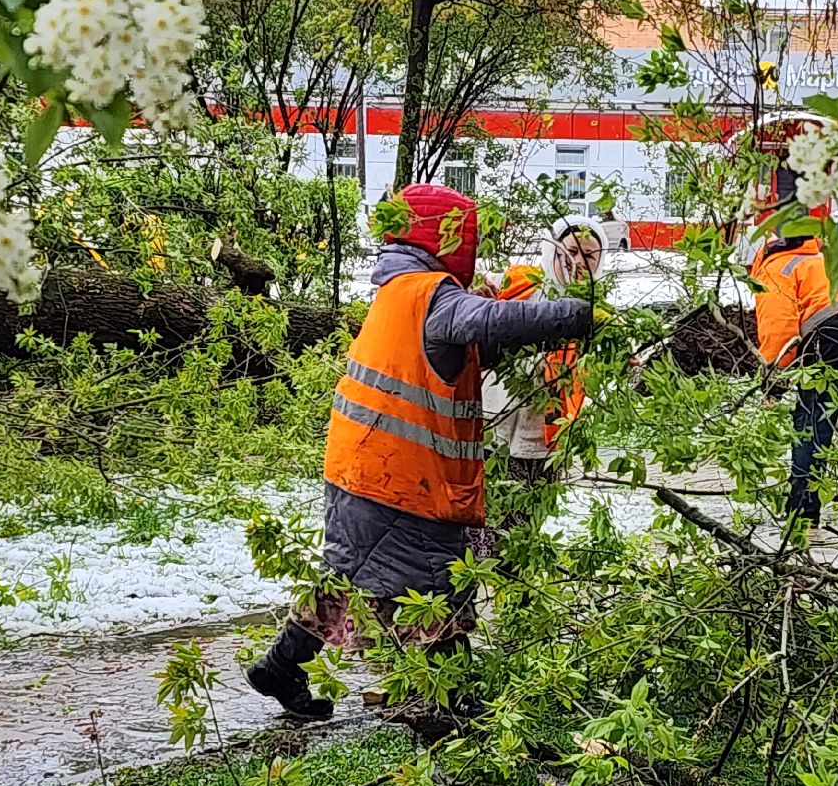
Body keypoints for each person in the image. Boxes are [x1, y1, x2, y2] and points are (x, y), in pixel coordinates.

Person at [246, 184, 594, 718]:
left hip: (365, 468)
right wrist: (577, 316)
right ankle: (444, 705)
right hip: (402, 480)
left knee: (352, 575)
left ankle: (281, 667)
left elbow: (466, 347)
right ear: (446, 235)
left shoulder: (400, 290)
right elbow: (489, 322)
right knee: (437, 586)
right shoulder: (429, 294)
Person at [746, 232, 838, 527]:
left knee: (811, 427)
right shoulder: (815, 260)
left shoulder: (774, 271)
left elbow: (779, 332)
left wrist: (773, 385)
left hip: (834, 340)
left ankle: (803, 510)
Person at [493, 216, 606, 478]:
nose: (578, 262)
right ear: (553, 250)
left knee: (532, 500)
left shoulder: (598, 315)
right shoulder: (519, 282)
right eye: (571, 251)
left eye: (589, 256)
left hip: (542, 441)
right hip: (489, 427)